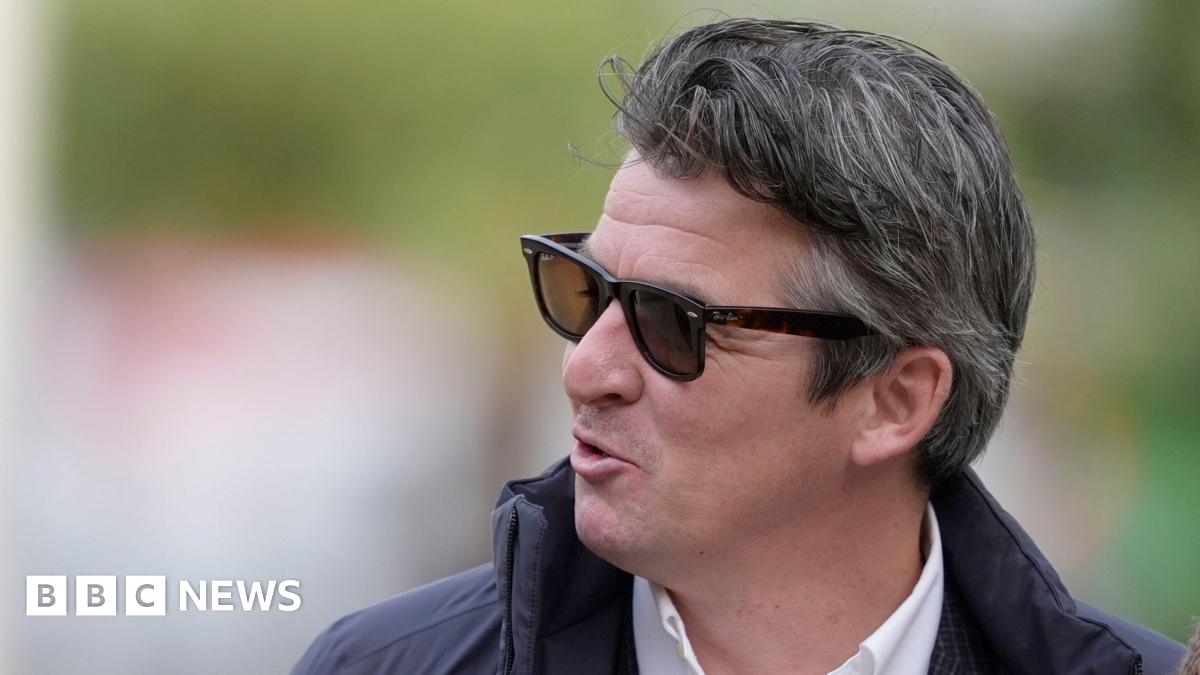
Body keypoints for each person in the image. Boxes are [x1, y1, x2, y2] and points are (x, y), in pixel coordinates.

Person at [293, 18, 1186, 674]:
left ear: (896, 399)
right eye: (587, 291)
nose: (585, 368)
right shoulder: (382, 664)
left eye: (672, 321)